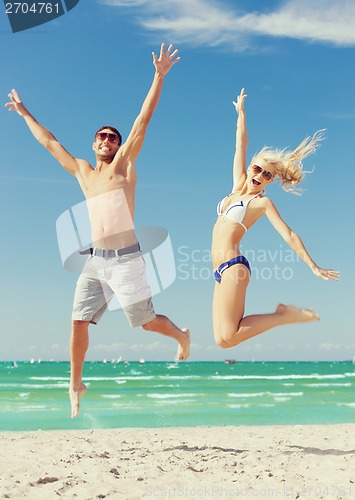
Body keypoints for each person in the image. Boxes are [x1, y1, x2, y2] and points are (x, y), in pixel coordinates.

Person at [6, 43, 190, 418]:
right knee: (77, 322)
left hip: (127, 261)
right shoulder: (82, 172)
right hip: (95, 262)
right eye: (102, 136)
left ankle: (182, 335)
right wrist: (25, 112)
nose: (107, 141)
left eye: (113, 137)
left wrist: (159, 75)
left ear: (119, 146)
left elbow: (142, 120)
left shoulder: (123, 166)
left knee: (146, 323)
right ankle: (76, 384)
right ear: (93, 143)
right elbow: (48, 141)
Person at [212, 88, 339, 349]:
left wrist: (312, 265)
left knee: (231, 336)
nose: (260, 175)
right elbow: (241, 145)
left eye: (267, 175)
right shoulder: (236, 187)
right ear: (250, 168)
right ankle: (284, 315)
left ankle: (284, 316)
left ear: (269, 182)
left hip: (235, 266)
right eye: (257, 168)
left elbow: (288, 234)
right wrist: (241, 114)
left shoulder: (261, 203)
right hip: (219, 271)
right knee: (222, 339)